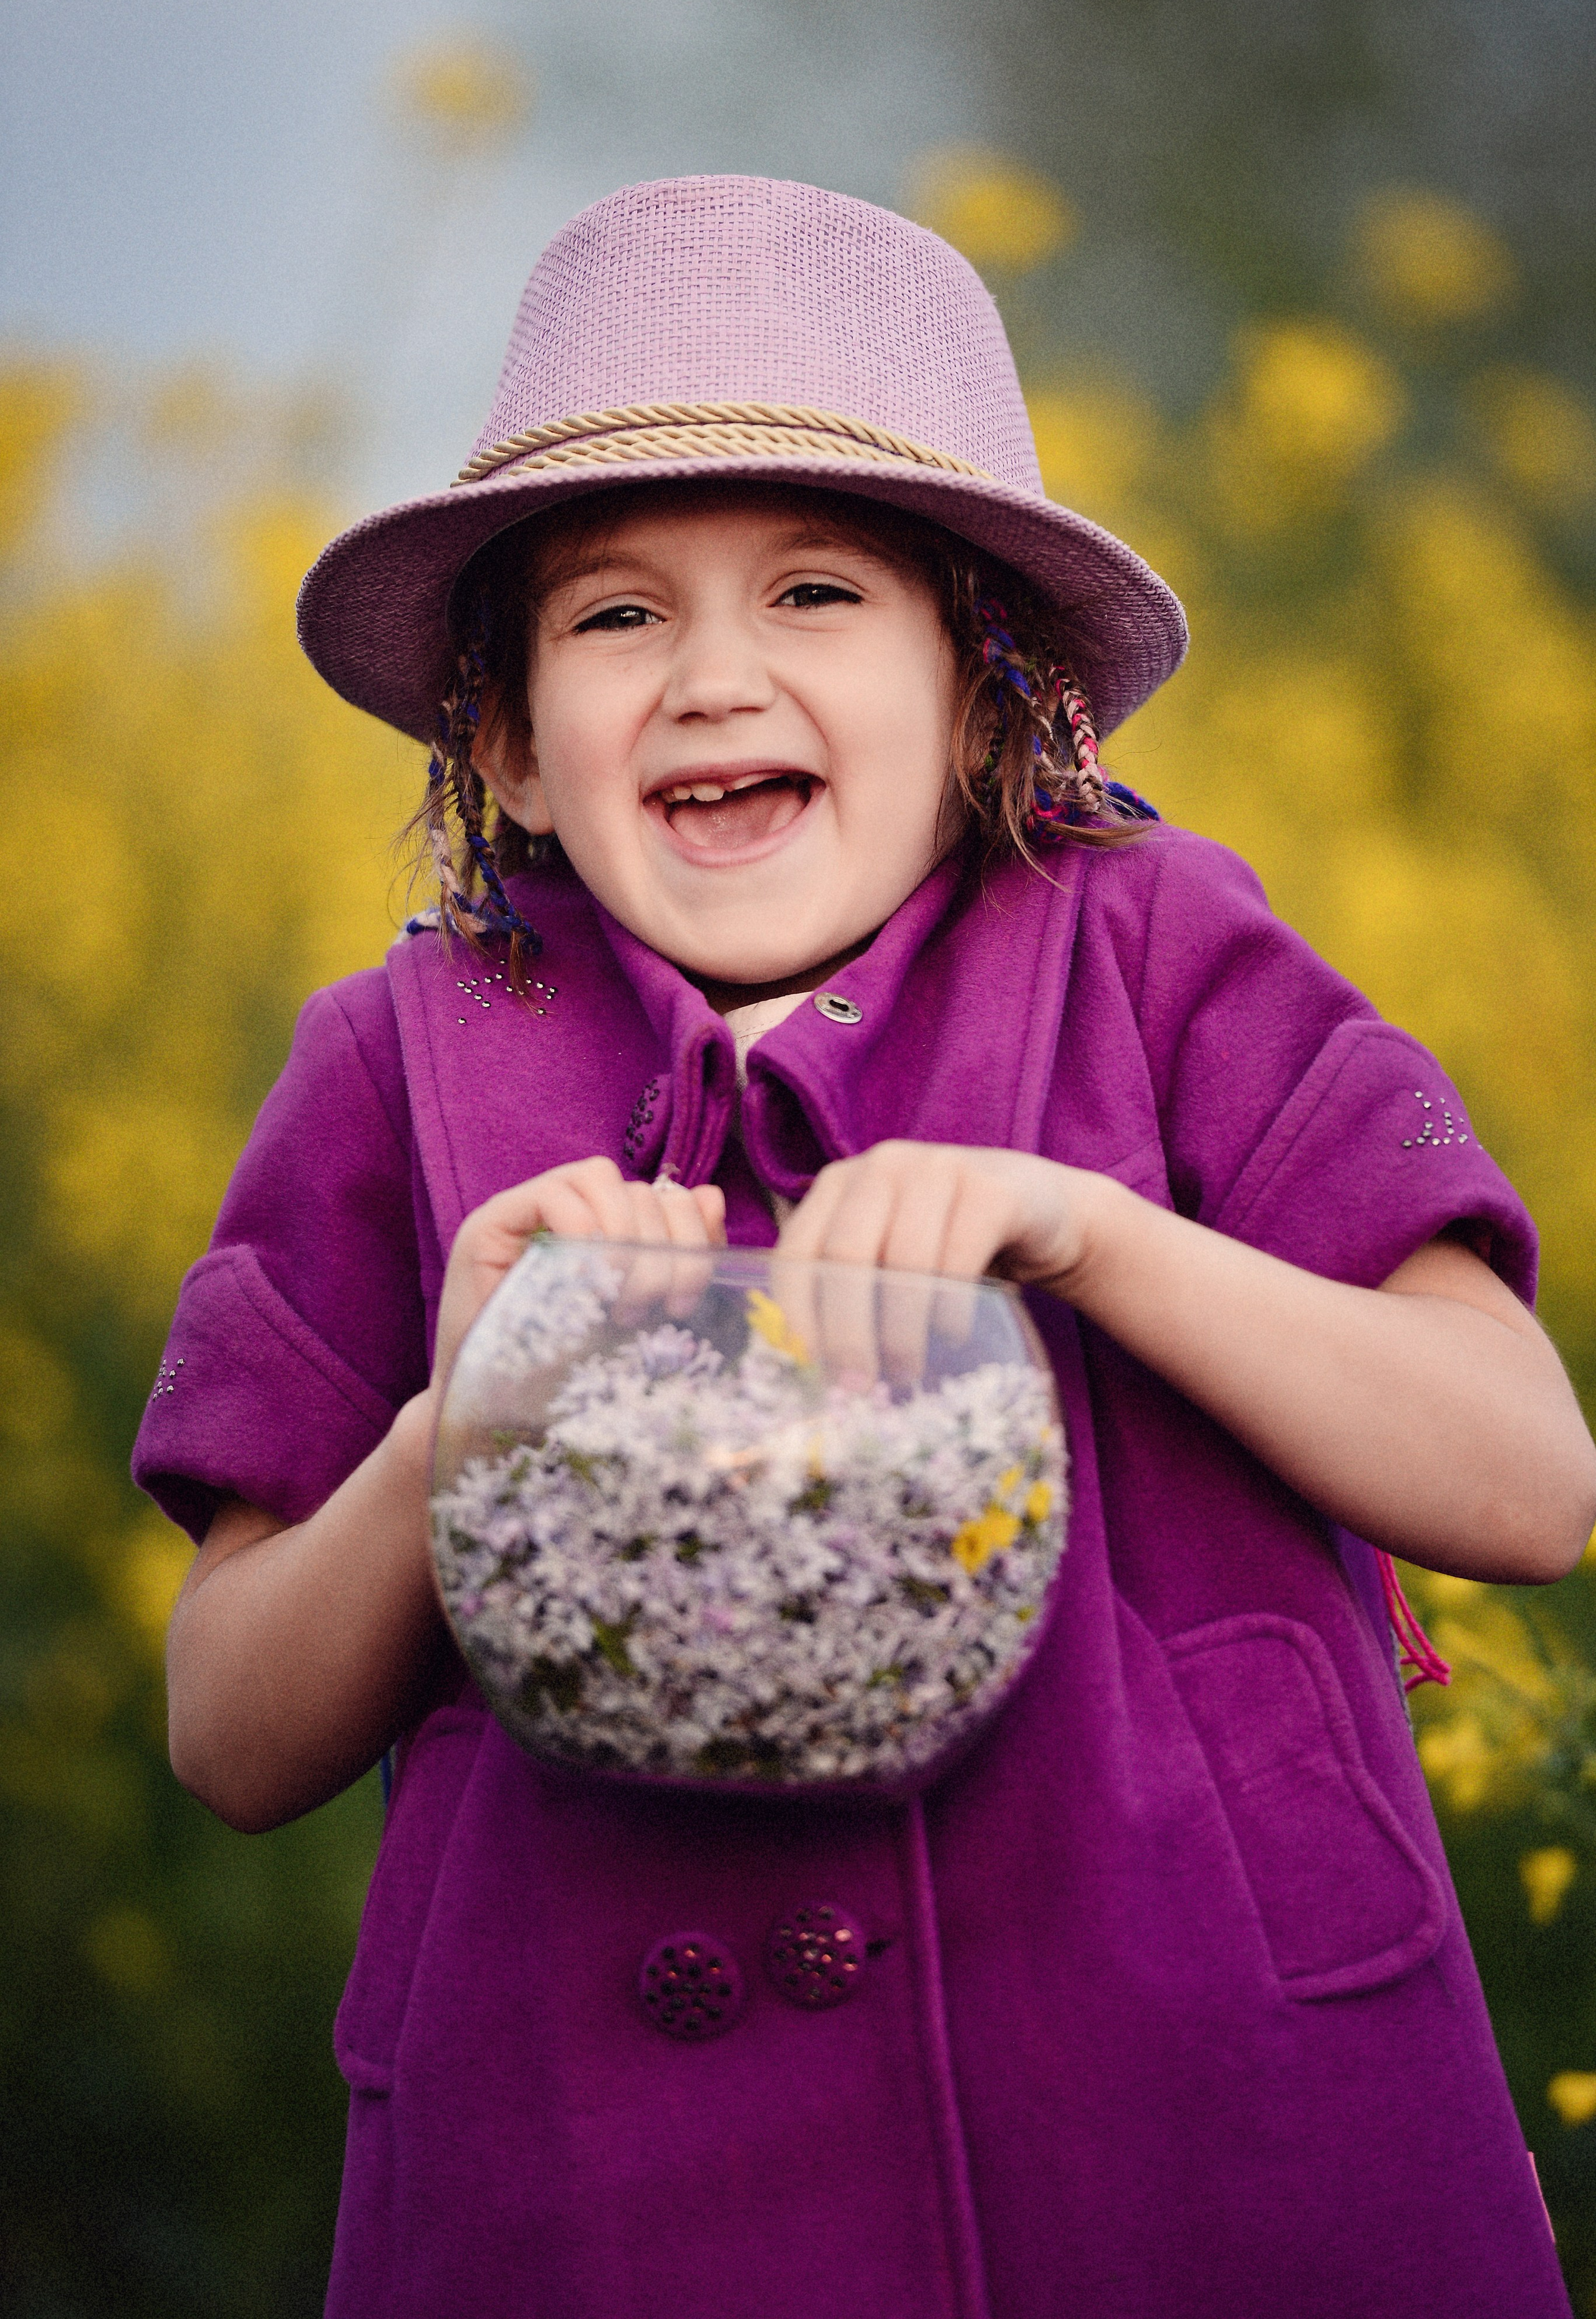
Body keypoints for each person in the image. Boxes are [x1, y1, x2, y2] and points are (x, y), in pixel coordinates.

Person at [135, 176, 1594, 2319]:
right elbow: (228, 1736)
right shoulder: (393, 1065)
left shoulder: (1163, 955)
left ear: (988, 700)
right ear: (513, 748)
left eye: (816, 592)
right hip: (591, 2194)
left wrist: (1094, 1235)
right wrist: (471, 1417)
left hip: (1210, 2133)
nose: (716, 675)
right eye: (617, 616)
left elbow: (1529, 1479)